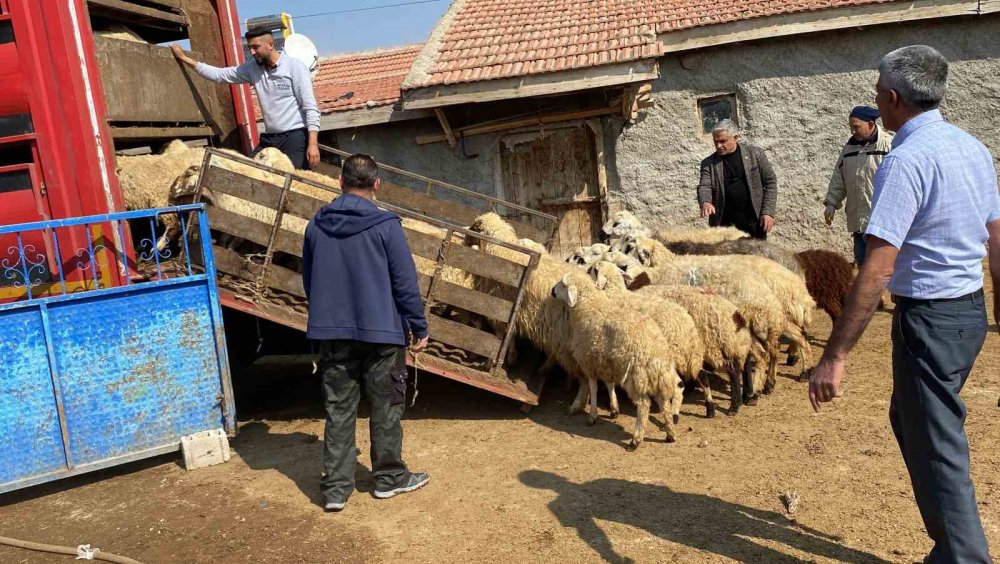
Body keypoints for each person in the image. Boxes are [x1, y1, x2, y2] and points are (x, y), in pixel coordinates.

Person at [809, 45, 998, 563]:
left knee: (938, 448)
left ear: (892, 100)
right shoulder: (973, 149)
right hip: (968, 314)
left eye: (876, 93)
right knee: (914, 421)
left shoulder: (906, 160)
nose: (874, 99)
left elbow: (877, 267)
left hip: (929, 323)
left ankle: (962, 557)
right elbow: (998, 243)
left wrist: (835, 355)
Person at [301, 154, 430, 512]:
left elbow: (309, 279)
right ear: (376, 185)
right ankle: (389, 479)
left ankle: (336, 490)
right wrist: (418, 326)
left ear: (340, 182)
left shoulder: (315, 226)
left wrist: (328, 318)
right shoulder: (387, 226)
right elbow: (405, 283)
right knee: (387, 404)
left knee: (339, 410)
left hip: (334, 334)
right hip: (383, 336)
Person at [171, 29, 320, 169]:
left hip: (295, 137)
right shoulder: (252, 69)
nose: (252, 52)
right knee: (249, 172)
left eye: (256, 47)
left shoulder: (295, 67)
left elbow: (310, 108)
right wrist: (184, 58)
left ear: (271, 45)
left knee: (293, 183)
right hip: (270, 138)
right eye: (249, 47)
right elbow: (219, 75)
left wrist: (312, 144)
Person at [823, 106, 894, 266]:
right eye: (851, 127)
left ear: (870, 124)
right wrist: (831, 203)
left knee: (884, 268)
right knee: (862, 265)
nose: (852, 131)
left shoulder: (889, 146)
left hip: (882, 224)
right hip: (859, 223)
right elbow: (838, 177)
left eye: (856, 127)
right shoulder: (848, 149)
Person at [697, 119, 778, 240]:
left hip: (754, 221)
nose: (719, 146)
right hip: (725, 225)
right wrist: (705, 202)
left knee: (757, 258)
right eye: (716, 142)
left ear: (735, 137)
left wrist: (767, 212)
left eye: (723, 141)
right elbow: (704, 185)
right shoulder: (708, 163)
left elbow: (770, 182)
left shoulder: (755, 154)